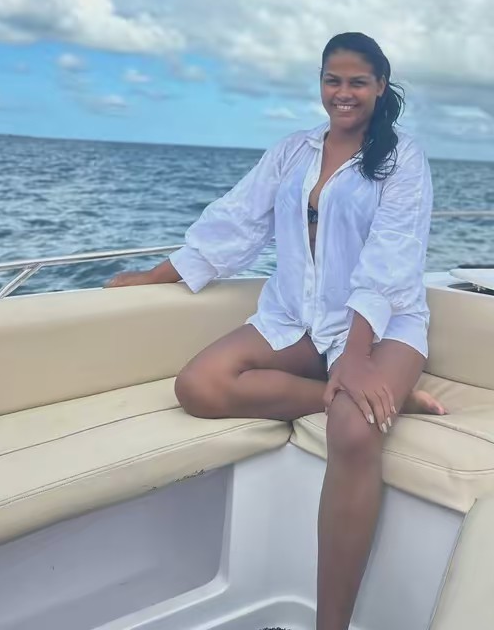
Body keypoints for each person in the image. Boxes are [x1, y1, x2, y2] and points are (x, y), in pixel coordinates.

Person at [106, 31, 445, 630]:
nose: (343, 93)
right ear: (321, 84)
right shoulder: (293, 151)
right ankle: (368, 397)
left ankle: (330, 624)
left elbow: (391, 260)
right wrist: (157, 276)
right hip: (296, 315)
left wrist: (357, 357)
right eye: (332, 80)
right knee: (198, 386)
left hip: (382, 324)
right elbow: (237, 221)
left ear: (380, 86)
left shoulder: (403, 160)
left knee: (353, 432)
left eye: (357, 82)